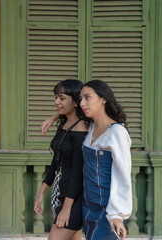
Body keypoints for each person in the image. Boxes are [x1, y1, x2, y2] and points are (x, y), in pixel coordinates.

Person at [41, 80, 132, 240]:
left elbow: (122, 175)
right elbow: (72, 117)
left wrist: (117, 213)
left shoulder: (117, 132)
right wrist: (54, 117)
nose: (82, 103)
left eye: (87, 98)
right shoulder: (90, 128)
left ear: (103, 98)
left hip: (107, 210)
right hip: (88, 206)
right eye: (81, 99)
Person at [34, 79, 88, 240]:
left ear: (76, 101)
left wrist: (67, 208)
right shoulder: (65, 125)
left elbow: (78, 172)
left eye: (62, 98)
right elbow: (56, 162)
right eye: (56, 97)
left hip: (75, 197)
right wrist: (41, 192)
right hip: (61, 192)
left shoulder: (81, 129)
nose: (56, 101)